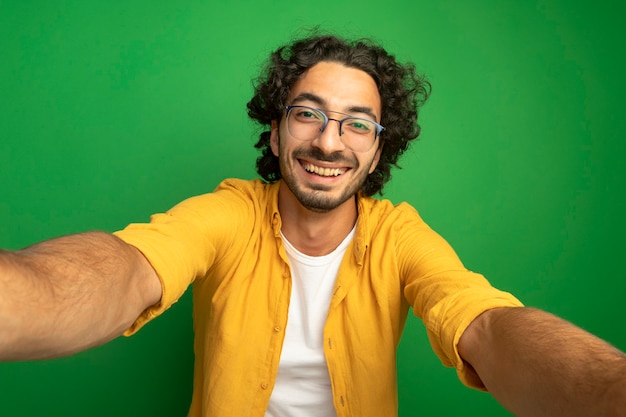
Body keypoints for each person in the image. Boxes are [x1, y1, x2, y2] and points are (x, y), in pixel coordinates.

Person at [0, 33, 624, 417]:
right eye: (308, 114)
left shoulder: (399, 236)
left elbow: (482, 323)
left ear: (379, 151)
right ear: (274, 132)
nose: (329, 141)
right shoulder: (231, 213)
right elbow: (130, 268)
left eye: (358, 123)